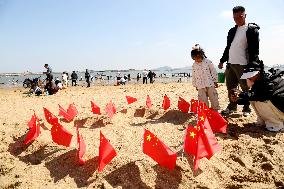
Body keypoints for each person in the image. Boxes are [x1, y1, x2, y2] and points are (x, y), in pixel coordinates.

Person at [218, 6, 260, 117]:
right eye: (235, 17)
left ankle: (247, 108)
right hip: (230, 63)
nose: (237, 19)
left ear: (245, 15)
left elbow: (255, 50)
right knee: (231, 88)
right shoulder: (232, 31)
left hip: (243, 64)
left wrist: (253, 66)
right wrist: (222, 60)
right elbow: (228, 47)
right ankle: (232, 107)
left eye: (239, 16)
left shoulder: (251, 30)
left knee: (245, 87)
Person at [231, 62, 284, 132]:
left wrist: (241, 94)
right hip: (277, 107)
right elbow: (252, 97)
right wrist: (237, 100)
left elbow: (260, 96)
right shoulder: (258, 80)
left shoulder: (269, 81)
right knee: (254, 100)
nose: (249, 77)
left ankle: (276, 125)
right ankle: (264, 121)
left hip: (281, 109)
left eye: (250, 75)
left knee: (263, 101)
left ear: (258, 73)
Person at [191, 44, 220, 111]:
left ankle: (215, 110)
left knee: (214, 97)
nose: (197, 60)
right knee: (202, 100)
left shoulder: (208, 62)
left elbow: (213, 71)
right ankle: (205, 111)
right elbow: (194, 75)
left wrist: (215, 80)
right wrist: (195, 85)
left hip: (210, 83)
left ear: (201, 55)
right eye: (195, 59)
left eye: (198, 58)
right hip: (200, 85)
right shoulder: (194, 65)